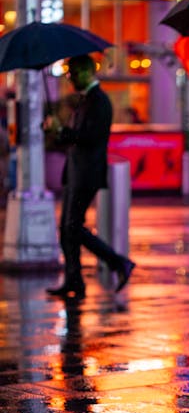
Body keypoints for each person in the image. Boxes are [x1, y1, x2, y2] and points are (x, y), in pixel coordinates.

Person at [44, 54, 135, 299]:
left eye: (73, 73)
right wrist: (58, 131)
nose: (70, 78)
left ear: (87, 72)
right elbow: (74, 138)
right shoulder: (84, 101)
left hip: (87, 173)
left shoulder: (99, 102)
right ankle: (74, 281)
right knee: (67, 229)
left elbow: (89, 137)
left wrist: (61, 129)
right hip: (76, 172)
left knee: (73, 227)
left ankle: (117, 261)